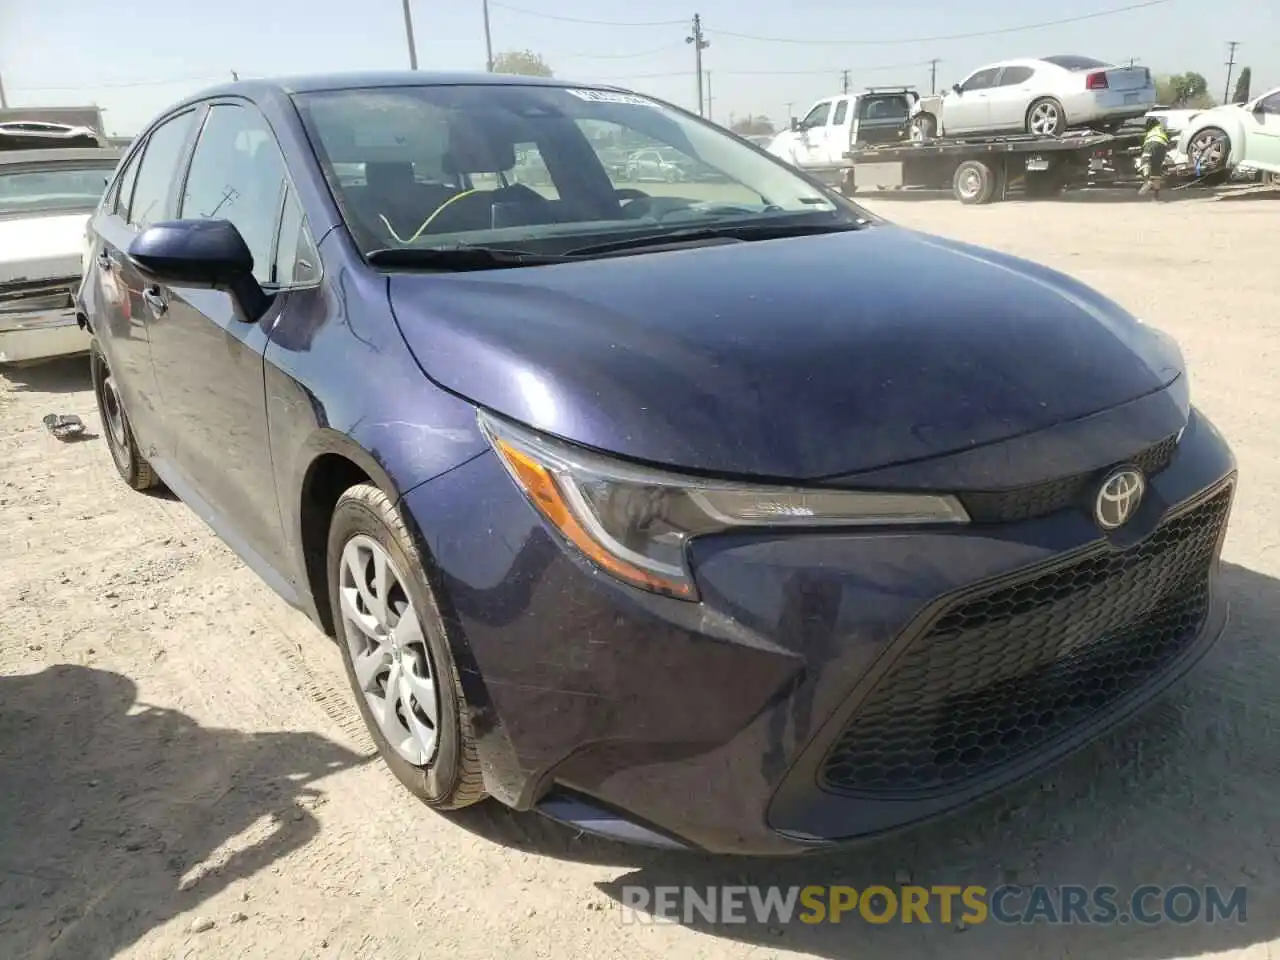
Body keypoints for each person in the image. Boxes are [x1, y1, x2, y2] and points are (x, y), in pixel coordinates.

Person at [1139, 116, 1170, 200]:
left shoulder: (1150, 131)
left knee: (1145, 160)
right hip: (1163, 145)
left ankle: (1146, 181)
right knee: (1156, 170)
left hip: (1152, 142)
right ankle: (1156, 195)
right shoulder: (1161, 128)